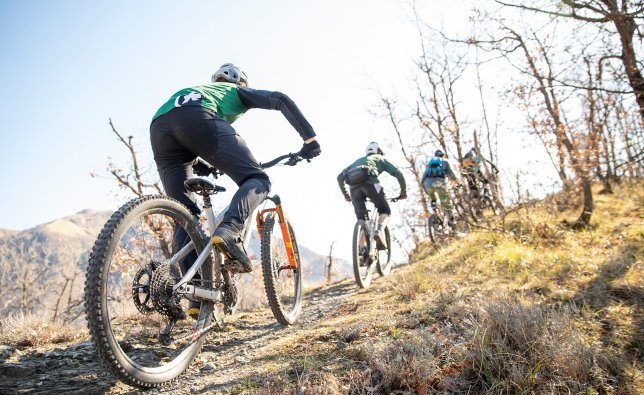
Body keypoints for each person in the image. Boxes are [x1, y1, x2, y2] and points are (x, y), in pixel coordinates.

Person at [150, 63, 321, 317]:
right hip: (199, 118)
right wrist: (309, 138)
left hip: (160, 126)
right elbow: (280, 99)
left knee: (184, 217)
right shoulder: (234, 92)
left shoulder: (197, 90)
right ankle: (229, 231)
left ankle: (196, 294)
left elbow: (182, 127)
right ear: (241, 82)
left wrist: (201, 163)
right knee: (257, 179)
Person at [337, 142, 406, 249]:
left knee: (363, 221)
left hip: (354, 190)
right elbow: (399, 174)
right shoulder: (379, 158)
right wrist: (403, 193)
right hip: (371, 184)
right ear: (379, 151)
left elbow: (339, 177)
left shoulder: (357, 161)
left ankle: (360, 251)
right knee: (384, 210)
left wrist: (346, 195)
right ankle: (379, 231)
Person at [421, 149, 458, 222]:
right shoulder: (445, 161)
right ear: (442, 155)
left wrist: (424, 187)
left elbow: (424, 176)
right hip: (440, 184)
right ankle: (452, 220)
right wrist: (457, 183)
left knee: (433, 198)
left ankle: (435, 209)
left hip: (427, 184)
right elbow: (451, 174)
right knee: (446, 202)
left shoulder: (430, 163)